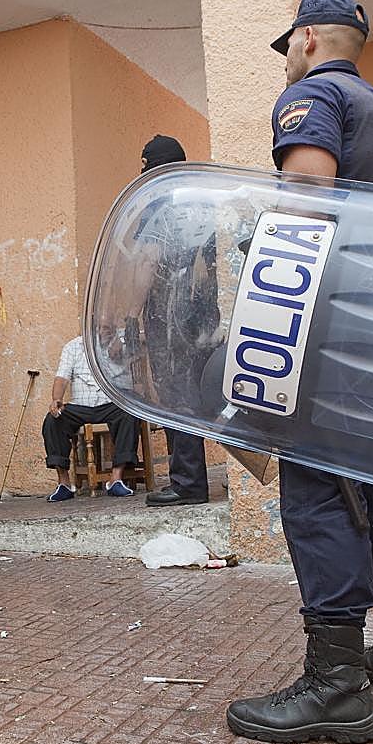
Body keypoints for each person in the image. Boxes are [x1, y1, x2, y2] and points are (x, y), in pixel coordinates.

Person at [225, 0, 373, 744]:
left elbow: (309, 194)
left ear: (308, 38)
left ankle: (337, 686)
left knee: (318, 488)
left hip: (330, 322)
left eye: (289, 44)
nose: (288, 57)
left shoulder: (312, 96)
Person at [133, 135, 216, 507]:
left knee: (175, 398)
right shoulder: (203, 201)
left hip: (169, 318)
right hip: (204, 315)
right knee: (199, 394)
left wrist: (129, 316)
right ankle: (193, 478)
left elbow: (148, 261)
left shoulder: (158, 202)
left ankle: (187, 483)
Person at [42, 333, 139, 500]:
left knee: (129, 414)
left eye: (108, 327)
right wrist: (56, 399)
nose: (104, 331)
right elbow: (62, 378)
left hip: (110, 404)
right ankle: (64, 483)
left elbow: (142, 345)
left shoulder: (122, 340)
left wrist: (121, 348)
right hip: (80, 407)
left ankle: (116, 479)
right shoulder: (73, 346)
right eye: (101, 328)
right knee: (53, 420)